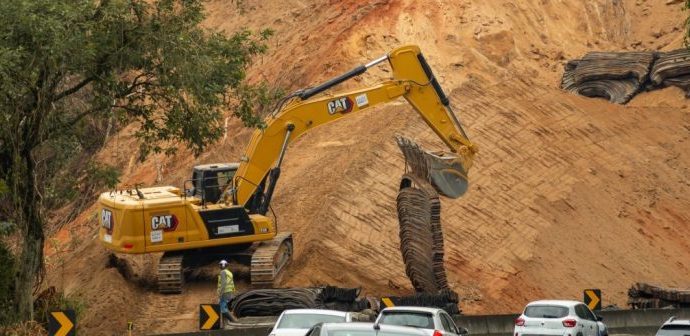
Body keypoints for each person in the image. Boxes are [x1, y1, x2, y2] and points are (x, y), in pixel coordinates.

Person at [217, 260, 237, 324]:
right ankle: (226, 323)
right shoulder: (229, 272)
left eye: (220, 265)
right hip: (229, 292)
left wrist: (220, 293)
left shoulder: (223, 272)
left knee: (222, 308)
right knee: (225, 307)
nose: (219, 266)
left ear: (223, 265)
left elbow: (223, 284)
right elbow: (231, 283)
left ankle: (234, 321)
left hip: (225, 292)